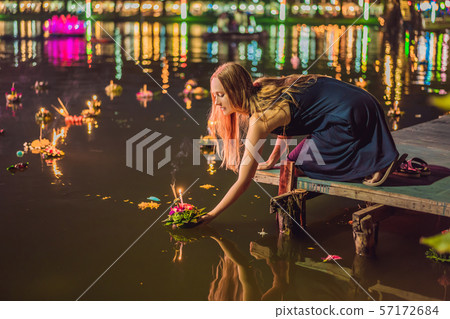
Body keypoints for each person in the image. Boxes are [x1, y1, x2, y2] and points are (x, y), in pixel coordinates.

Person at [200, 62, 403, 224]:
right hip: (362, 103)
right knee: (293, 159)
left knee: (300, 164)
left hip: (350, 115)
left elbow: (244, 181)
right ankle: (375, 159)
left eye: (220, 95)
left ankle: (374, 164)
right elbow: (283, 122)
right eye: (214, 95)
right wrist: (272, 160)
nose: (216, 102)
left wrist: (211, 215)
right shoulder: (260, 87)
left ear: (236, 91)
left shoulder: (260, 121)